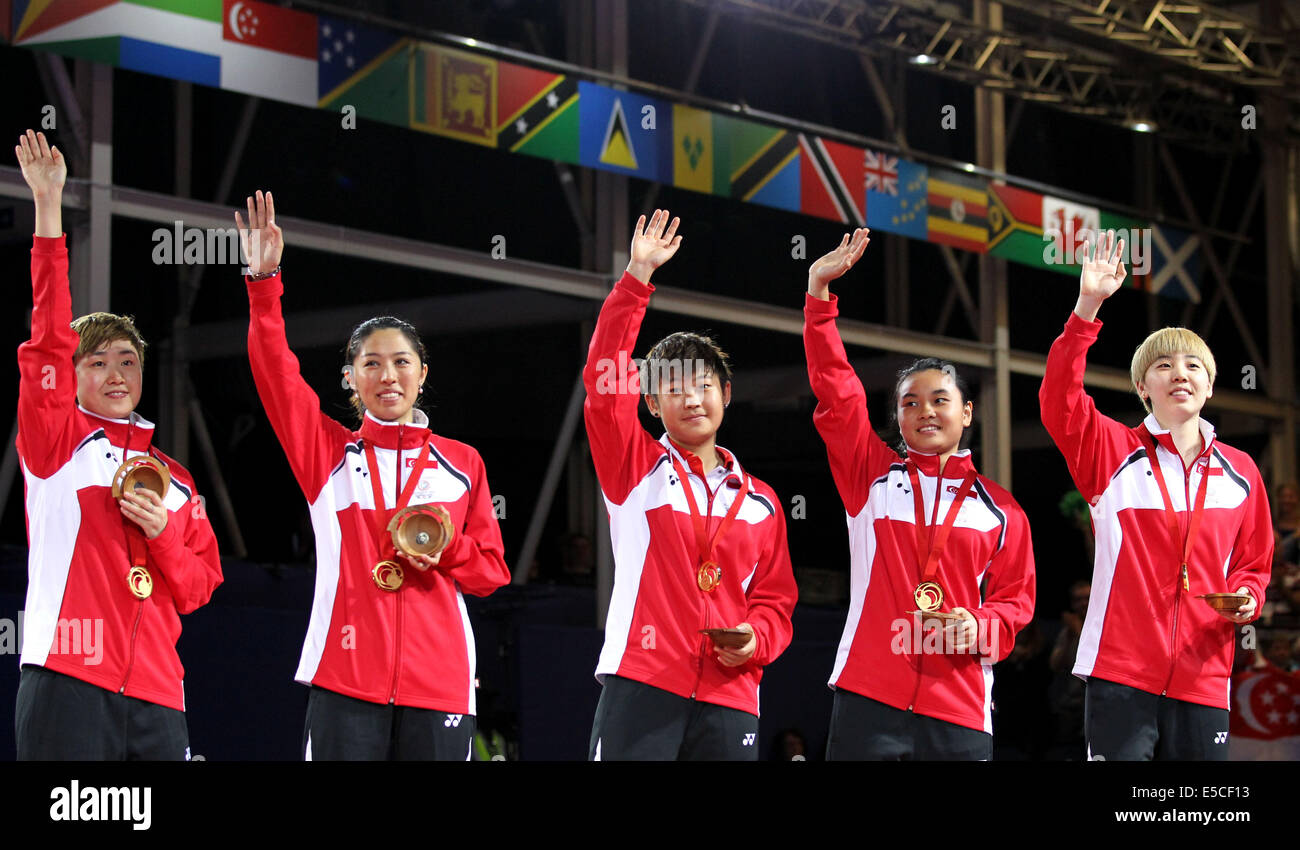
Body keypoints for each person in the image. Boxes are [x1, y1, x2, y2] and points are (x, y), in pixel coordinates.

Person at [237, 190, 509, 760]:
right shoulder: (327, 454)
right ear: (349, 379)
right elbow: (276, 376)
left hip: (440, 681)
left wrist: (447, 549)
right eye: (371, 364)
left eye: (401, 362)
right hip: (345, 674)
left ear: (422, 373)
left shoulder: (462, 465)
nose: (388, 375)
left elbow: (491, 574)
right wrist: (264, 284)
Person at [12, 130, 223, 760]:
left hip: (160, 696)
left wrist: (162, 531)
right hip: (68, 677)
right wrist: (49, 213)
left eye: (127, 361)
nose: (114, 374)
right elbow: (47, 340)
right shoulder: (57, 443)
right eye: (96, 361)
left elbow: (197, 588)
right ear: (70, 377)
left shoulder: (177, 481)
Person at [803, 228, 1036, 760]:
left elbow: (1016, 604)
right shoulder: (872, 478)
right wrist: (819, 297)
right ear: (897, 418)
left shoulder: (1002, 510)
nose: (925, 411)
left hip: (958, 709)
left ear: (967, 412)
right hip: (869, 696)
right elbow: (838, 393)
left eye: (939, 399)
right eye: (910, 403)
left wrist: (976, 625)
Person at [1040, 229, 1272, 760]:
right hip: (1121, 673)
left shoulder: (1241, 473)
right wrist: (1087, 308)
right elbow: (1059, 400)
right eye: (1162, 366)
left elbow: (1254, 564)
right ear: (1143, 388)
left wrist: (1247, 597)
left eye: (1193, 365)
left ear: (1210, 386)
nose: (1179, 374)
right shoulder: (1111, 452)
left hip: (1205, 676)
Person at [584, 209, 797, 760]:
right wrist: (635, 282)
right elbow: (604, 385)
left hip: (732, 696)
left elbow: (774, 602)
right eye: (674, 389)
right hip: (644, 679)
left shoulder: (761, 503)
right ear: (651, 403)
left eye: (704, 385)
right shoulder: (633, 469)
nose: (693, 398)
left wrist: (758, 641)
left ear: (725, 393)